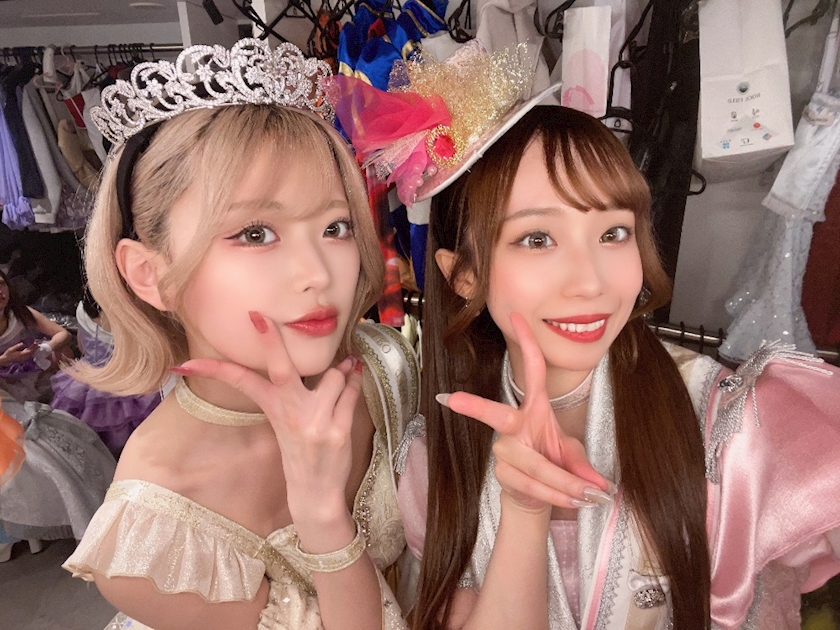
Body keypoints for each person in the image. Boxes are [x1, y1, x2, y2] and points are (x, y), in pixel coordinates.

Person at [371, 97, 840, 627]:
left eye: (613, 233)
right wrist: (524, 511)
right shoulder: (435, 462)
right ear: (463, 275)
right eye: (538, 239)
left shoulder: (731, 431)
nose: (591, 281)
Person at [62, 39, 418, 630]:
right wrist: (322, 516)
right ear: (149, 274)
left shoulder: (383, 363)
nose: (318, 273)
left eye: (335, 226)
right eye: (255, 233)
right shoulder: (151, 537)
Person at [50, 290, 162, 455]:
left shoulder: (83, 310)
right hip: (128, 383)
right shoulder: (136, 322)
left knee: (84, 440)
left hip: (86, 380)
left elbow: (82, 346)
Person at [0, 268, 71, 402]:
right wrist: (4, 359)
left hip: (25, 365)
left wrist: (45, 349)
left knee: (63, 351)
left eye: (1, 284)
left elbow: (63, 333)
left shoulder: (20, 312)